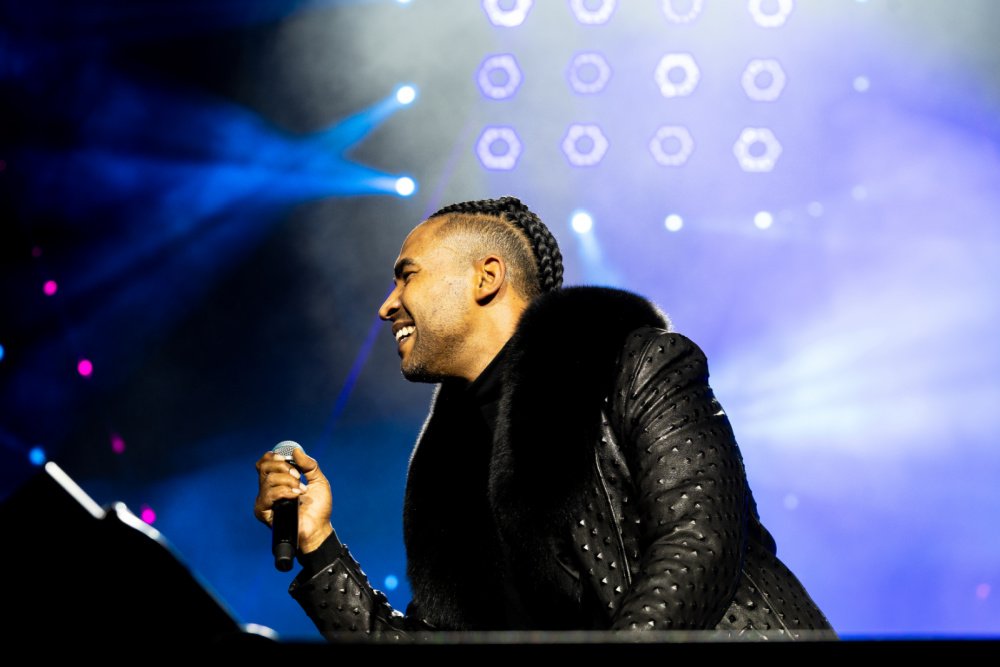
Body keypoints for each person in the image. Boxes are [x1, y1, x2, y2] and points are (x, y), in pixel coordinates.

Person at [254, 196, 836, 641]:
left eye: (408, 275)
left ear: (487, 277)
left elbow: (698, 542)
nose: (387, 304)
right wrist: (318, 544)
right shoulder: (449, 478)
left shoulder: (637, 365)